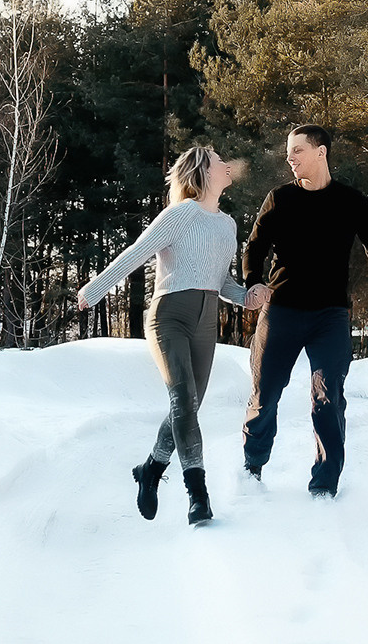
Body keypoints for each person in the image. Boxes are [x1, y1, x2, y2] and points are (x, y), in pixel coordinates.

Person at [75, 145, 251, 526]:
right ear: (202, 171)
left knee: (188, 407)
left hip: (206, 322)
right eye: (218, 159)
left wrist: (247, 297)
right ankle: (198, 496)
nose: (226, 163)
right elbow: (137, 252)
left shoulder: (227, 225)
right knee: (183, 401)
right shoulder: (180, 214)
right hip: (169, 317)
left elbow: (222, 281)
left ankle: (151, 469)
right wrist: (95, 289)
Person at [238, 123, 368, 495]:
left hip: (330, 316)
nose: (290, 158)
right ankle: (251, 471)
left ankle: (325, 487)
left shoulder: (351, 201)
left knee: (328, 400)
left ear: (321, 152)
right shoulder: (280, 198)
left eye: (297, 150)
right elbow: (254, 247)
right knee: (265, 396)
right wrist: (253, 282)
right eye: (288, 153)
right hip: (281, 312)